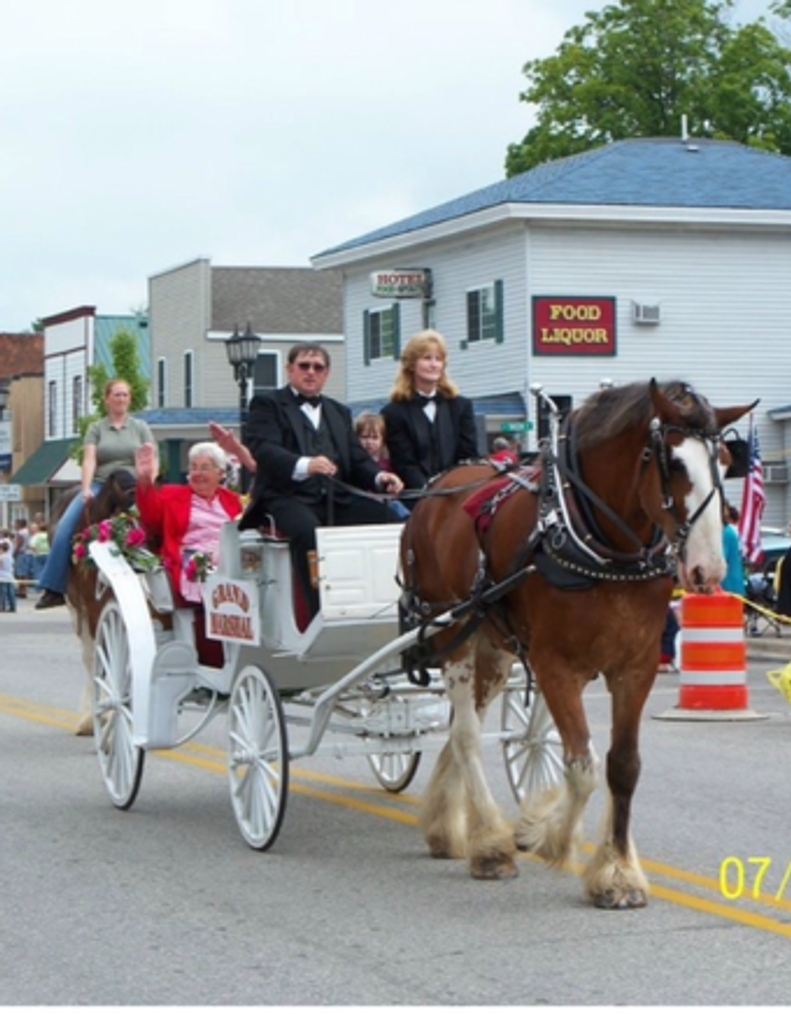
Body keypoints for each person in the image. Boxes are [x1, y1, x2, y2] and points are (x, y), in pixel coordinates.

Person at [239, 343, 404, 619]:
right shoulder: (267, 404)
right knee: (309, 533)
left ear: (326, 374)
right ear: (290, 369)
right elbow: (264, 449)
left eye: (318, 367)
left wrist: (380, 477)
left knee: (390, 520)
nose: (311, 372)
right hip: (286, 497)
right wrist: (306, 465)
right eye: (304, 366)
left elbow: (356, 458)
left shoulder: (338, 411)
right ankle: (320, 615)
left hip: (335, 498)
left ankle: (388, 604)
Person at [36, 379, 156, 610]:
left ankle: (162, 571)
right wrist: (86, 488)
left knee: (160, 520)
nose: (121, 399)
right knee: (65, 527)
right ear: (107, 399)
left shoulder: (140, 427)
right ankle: (54, 588)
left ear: (130, 399)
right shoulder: (96, 428)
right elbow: (89, 460)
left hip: (133, 485)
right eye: (117, 395)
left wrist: (149, 482)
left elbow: (151, 459)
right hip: (103, 483)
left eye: (125, 395)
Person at [135, 441, 243, 605]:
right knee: (208, 570)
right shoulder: (171, 495)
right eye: (193, 467)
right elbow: (151, 519)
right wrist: (145, 480)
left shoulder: (232, 500)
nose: (198, 473)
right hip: (193, 558)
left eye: (204, 468)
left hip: (228, 556)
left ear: (220, 473)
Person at [381, 329, 479, 504]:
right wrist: (430, 496)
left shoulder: (461, 407)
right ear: (412, 364)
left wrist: (452, 491)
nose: (434, 364)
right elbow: (405, 464)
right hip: (415, 499)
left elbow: (468, 456)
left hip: (457, 496)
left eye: (438, 359)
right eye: (427, 358)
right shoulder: (394, 412)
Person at [721, 503, 745, 598]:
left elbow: (722, 558)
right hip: (736, 581)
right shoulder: (734, 532)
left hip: (728, 583)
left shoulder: (726, 532)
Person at [0, 539, 17, 612]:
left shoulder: (1, 557)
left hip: (2, 577)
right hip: (10, 576)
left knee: (2, 593)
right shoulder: (10, 556)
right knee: (11, 593)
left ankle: (2, 606)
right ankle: (13, 606)